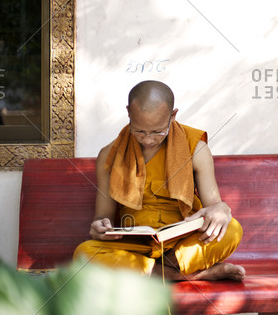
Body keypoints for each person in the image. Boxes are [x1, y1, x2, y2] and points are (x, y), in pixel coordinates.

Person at [73, 80, 245, 281]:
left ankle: (155, 272)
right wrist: (100, 227)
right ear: (129, 113)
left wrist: (221, 209)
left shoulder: (195, 148)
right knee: (84, 254)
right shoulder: (110, 155)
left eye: (157, 132)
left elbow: (214, 207)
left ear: (173, 115)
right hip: (136, 247)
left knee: (232, 229)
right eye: (139, 131)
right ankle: (187, 275)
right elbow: (102, 216)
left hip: (182, 242)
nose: (148, 139)